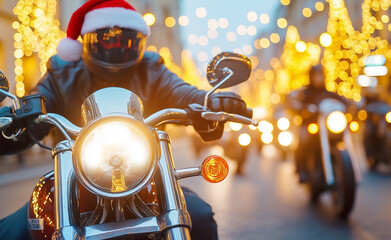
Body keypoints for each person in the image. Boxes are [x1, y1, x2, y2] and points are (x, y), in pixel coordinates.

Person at [0, 0, 250, 239]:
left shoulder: (152, 68)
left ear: (139, 43)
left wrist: (210, 102)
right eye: (107, 41)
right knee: (18, 228)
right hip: (76, 175)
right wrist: (13, 120)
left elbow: (183, 92)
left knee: (200, 217)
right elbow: (37, 102)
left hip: (147, 176)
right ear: (87, 42)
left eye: (127, 41)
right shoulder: (62, 71)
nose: (117, 47)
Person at [286, 65, 351, 183]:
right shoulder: (305, 93)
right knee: (303, 139)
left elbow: (345, 101)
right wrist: (301, 107)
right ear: (311, 76)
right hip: (311, 125)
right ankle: (302, 170)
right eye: (316, 76)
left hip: (328, 127)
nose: (319, 78)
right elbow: (293, 102)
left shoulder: (329, 93)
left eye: (321, 75)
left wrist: (352, 104)